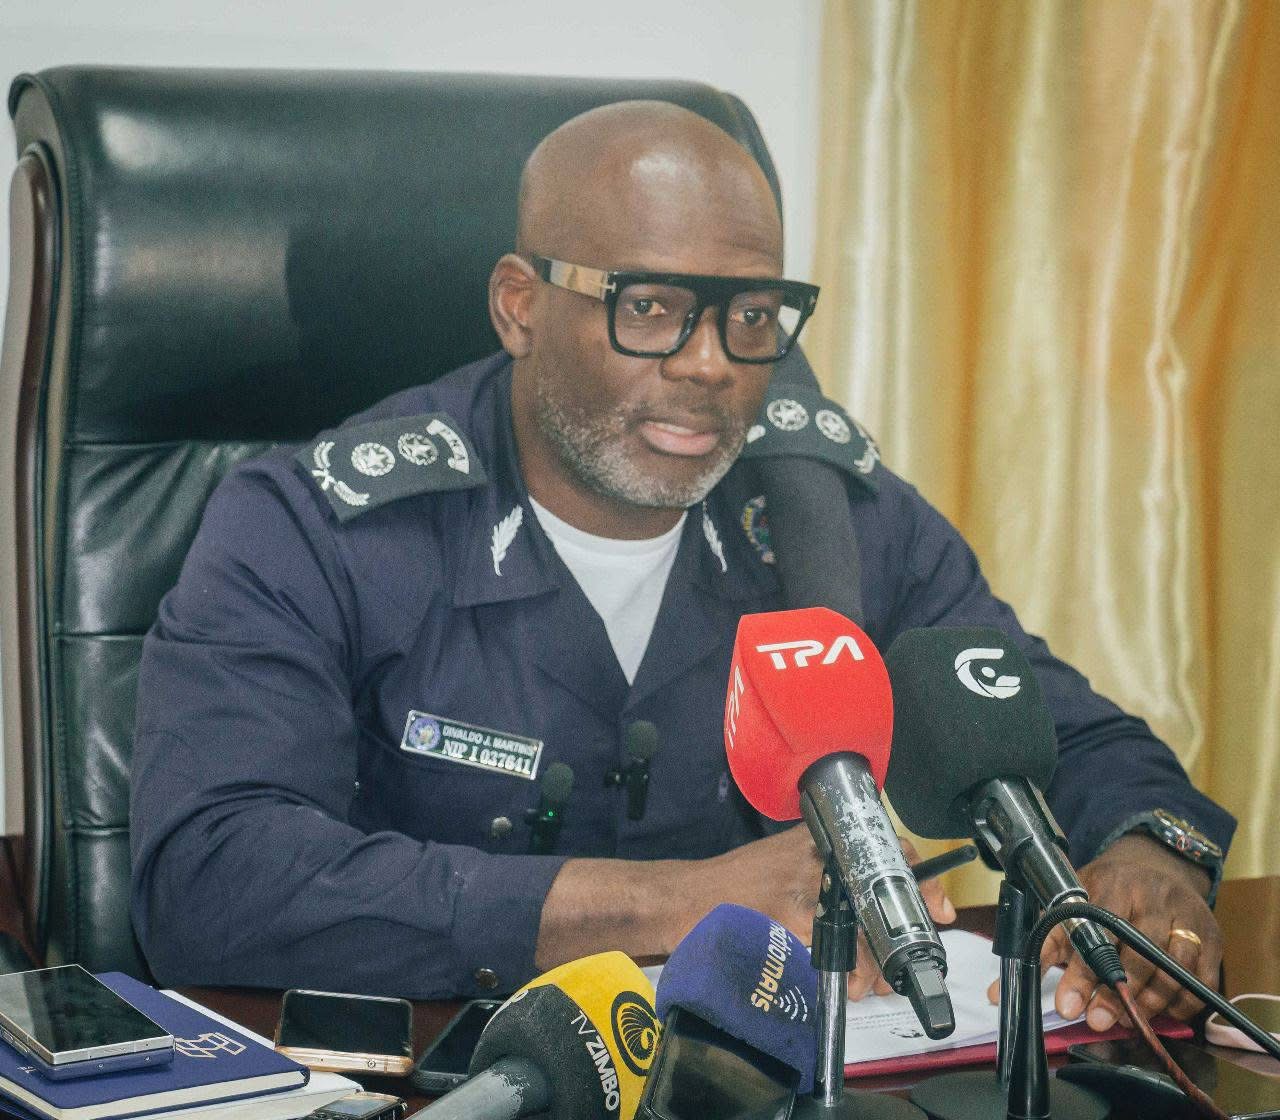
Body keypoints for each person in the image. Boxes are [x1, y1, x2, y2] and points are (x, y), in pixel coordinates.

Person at [129, 101, 1234, 1036]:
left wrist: (1150, 860)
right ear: (520, 306)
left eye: (749, 315)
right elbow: (211, 877)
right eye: (650, 308)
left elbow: (1061, 733)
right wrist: (680, 902)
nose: (710, 365)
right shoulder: (316, 525)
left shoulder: (823, 515)